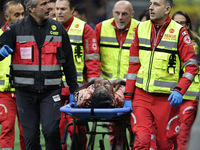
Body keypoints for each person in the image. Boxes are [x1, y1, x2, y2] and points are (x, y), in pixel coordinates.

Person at [0, 0, 78, 149]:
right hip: (24, 92)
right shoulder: (16, 28)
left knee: (50, 130)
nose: (49, 7)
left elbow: (69, 63)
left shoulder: (58, 28)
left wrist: (74, 89)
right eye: (43, 4)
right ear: (31, 8)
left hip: (51, 91)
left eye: (48, 3)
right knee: (30, 137)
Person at [124, 0, 199, 149]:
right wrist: (128, 96)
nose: (151, 7)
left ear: (167, 9)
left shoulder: (179, 32)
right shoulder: (140, 28)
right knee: (142, 140)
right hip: (141, 96)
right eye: (151, 3)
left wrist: (179, 90)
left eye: (156, 4)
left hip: (167, 99)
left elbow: (191, 67)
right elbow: (133, 65)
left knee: (165, 144)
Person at [55, 0, 100, 149]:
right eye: (57, 9)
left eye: (63, 9)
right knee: (56, 130)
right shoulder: (50, 26)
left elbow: (92, 60)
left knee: (77, 130)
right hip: (54, 88)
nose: (59, 12)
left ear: (72, 10)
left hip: (77, 90)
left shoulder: (84, 29)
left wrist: (91, 88)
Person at [95, 1, 139, 149]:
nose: (120, 17)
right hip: (109, 87)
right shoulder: (101, 28)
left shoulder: (141, 29)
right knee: (115, 128)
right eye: (117, 13)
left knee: (135, 127)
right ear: (112, 12)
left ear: (132, 15)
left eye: (124, 14)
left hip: (134, 86)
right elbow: (94, 59)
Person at [172, 10, 200, 150]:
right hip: (169, 95)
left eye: (182, 23)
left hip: (190, 95)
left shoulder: (197, 45)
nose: (179, 27)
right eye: (176, 23)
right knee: (169, 136)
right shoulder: (165, 44)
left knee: (182, 135)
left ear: (188, 26)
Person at [0, 1, 26, 150]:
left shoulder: (30, 35)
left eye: (23, 14)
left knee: (26, 132)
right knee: (7, 129)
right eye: (16, 15)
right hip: (5, 92)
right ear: (6, 16)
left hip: (25, 91)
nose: (21, 18)